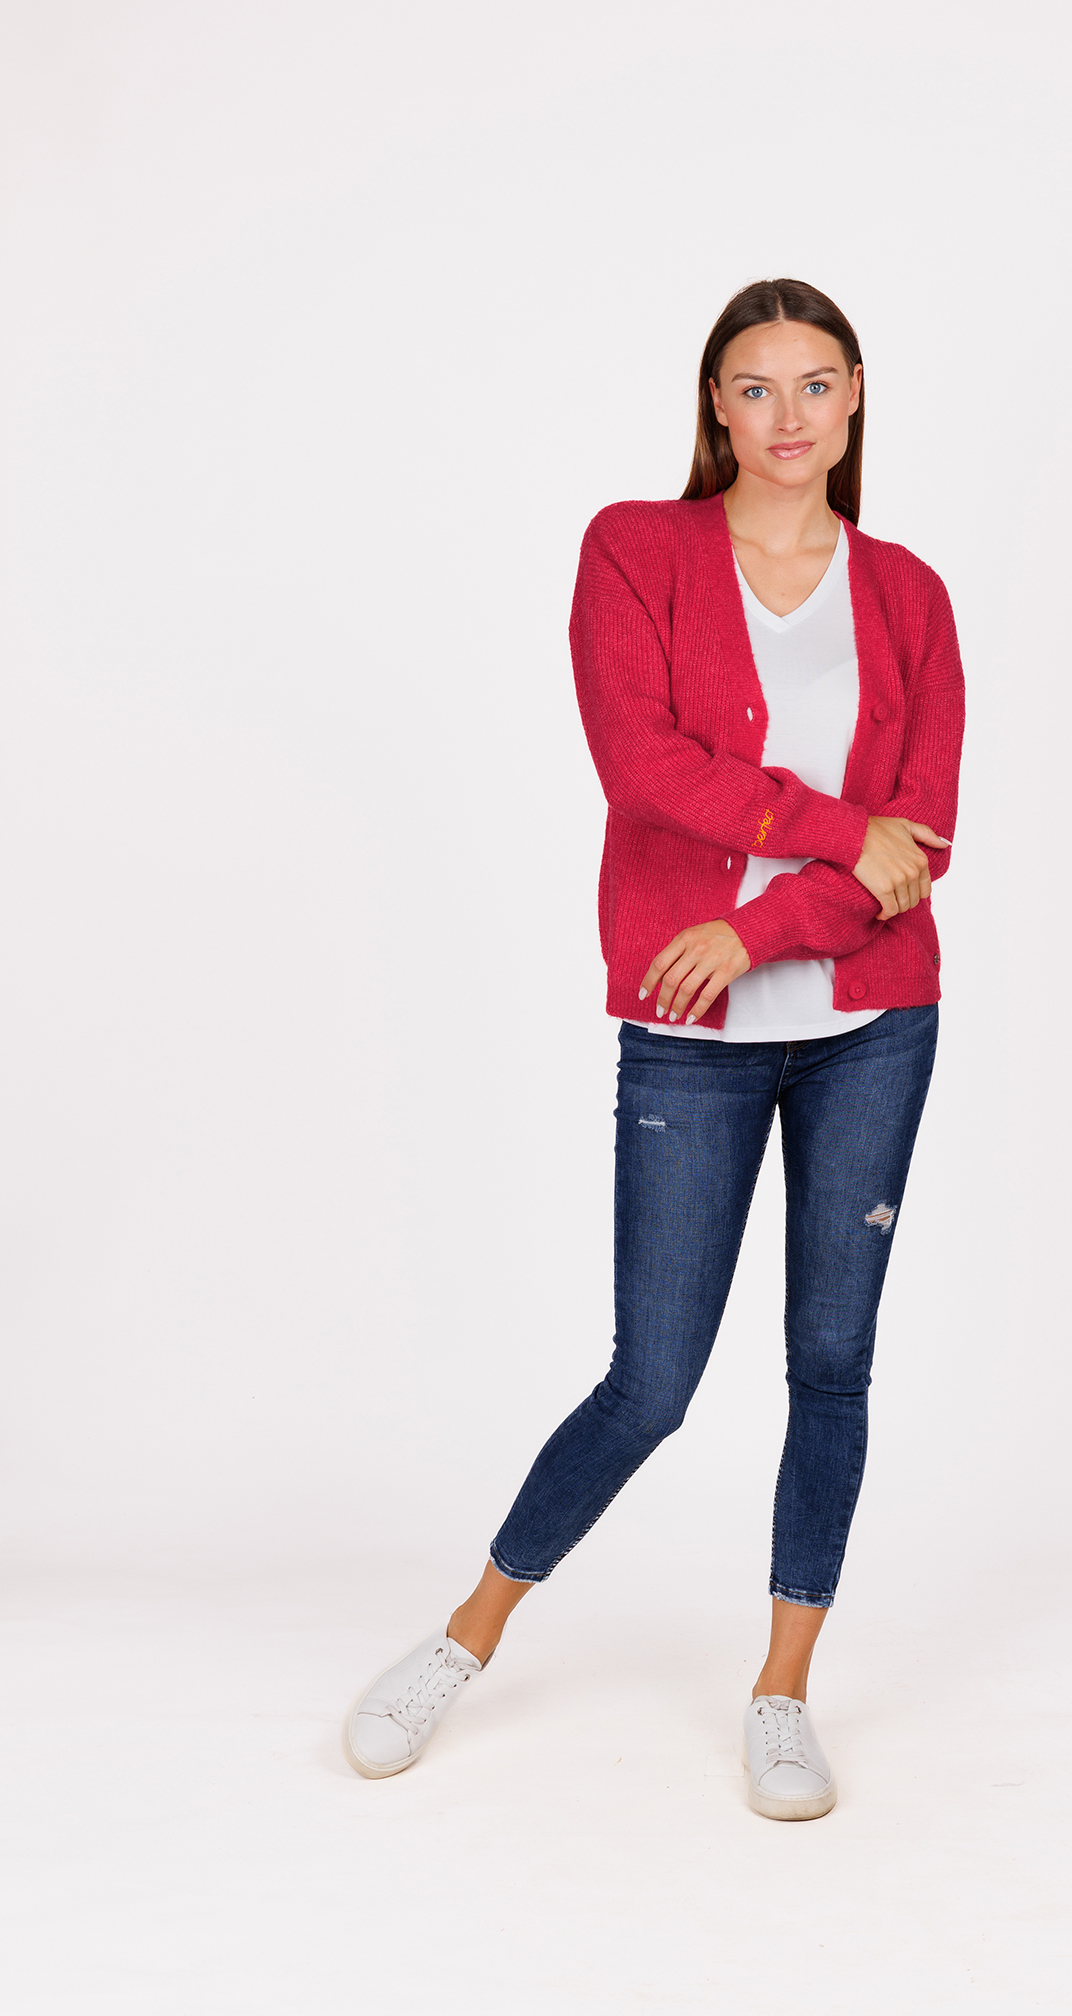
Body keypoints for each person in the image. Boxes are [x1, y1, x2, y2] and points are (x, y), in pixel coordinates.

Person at [342, 278, 966, 1821]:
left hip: (872, 1027)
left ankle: (783, 1692)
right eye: (755, 387)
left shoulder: (908, 594)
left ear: (857, 397)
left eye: (815, 384)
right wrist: (837, 835)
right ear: (715, 407)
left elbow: (923, 844)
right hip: (691, 1042)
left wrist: (760, 928)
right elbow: (647, 766)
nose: (787, 415)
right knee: (653, 1380)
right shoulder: (636, 549)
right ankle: (466, 1635)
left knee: (833, 1360)